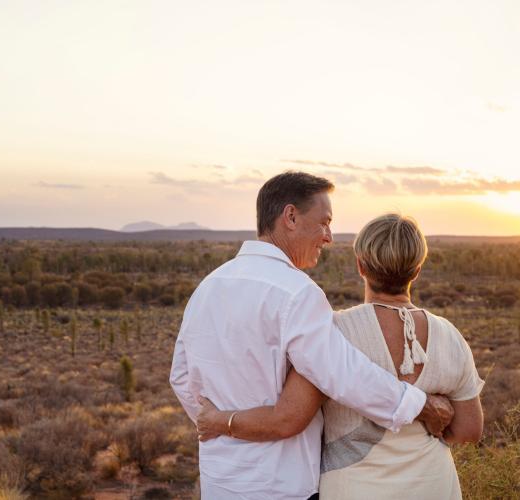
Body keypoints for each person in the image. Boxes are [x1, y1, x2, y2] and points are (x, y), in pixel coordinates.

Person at [170, 172, 453, 500]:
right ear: (290, 216)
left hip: (220, 482)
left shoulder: (208, 286)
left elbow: (180, 377)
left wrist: (223, 424)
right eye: (324, 222)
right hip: (282, 486)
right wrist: (419, 405)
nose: (329, 236)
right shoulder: (297, 293)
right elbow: (342, 373)